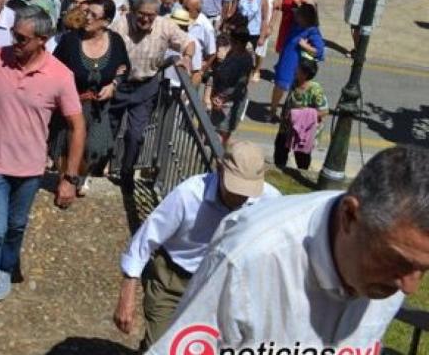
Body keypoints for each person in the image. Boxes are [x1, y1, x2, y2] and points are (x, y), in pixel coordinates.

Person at [150, 145, 429, 353]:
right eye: (397, 261)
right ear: (349, 217)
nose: (409, 288)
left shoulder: (393, 271)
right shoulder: (248, 257)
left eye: (425, 269)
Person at [0, 6, 84, 331]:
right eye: (14, 34)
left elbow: (76, 126)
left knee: (15, 227)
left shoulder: (60, 75)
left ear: (43, 40)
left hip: (30, 169)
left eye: (22, 38)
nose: (15, 42)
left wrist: (69, 177)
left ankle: (5, 269)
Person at [113, 142, 280, 350]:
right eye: (235, 189)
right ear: (219, 170)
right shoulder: (189, 194)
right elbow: (146, 239)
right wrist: (127, 293)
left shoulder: (270, 200)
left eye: (247, 191)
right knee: (163, 346)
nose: (240, 198)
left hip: (222, 286)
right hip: (174, 281)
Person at [110, 0, 195, 190]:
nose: (146, 19)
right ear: (133, 11)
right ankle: (98, 167)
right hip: (119, 84)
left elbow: (188, 42)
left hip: (145, 86)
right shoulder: (120, 26)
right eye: (142, 14)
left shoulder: (164, 25)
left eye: (151, 15)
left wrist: (187, 57)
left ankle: (127, 171)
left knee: (136, 134)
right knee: (109, 130)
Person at [50, 0, 130, 184]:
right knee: (65, 145)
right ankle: (66, 179)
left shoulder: (116, 41)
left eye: (94, 15)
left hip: (98, 109)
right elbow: (54, 66)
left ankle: (81, 175)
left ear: (106, 21)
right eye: (87, 12)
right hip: (71, 104)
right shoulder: (70, 40)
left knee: (96, 147)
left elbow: (124, 67)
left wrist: (114, 85)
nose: (87, 18)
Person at [271, 3, 324, 121]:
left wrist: (305, 46)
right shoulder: (297, 24)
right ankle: (273, 111)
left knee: (289, 89)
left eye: (299, 14)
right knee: (279, 86)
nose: (296, 15)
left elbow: (319, 51)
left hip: (294, 65)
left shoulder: (312, 31)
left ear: (305, 17)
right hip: (286, 60)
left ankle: (287, 114)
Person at [273, 56, 328, 171]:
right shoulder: (295, 82)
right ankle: (279, 168)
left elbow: (324, 111)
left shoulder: (315, 90)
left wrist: (300, 114)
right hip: (286, 126)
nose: (295, 70)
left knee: (301, 156)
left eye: (298, 68)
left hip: (303, 131)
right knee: (280, 149)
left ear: (305, 74)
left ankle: (302, 173)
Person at [208, 26, 254, 146]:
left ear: (238, 42)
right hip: (220, 95)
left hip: (230, 101)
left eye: (232, 41)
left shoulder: (245, 60)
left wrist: (223, 99)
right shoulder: (232, 52)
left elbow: (240, 85)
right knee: (216, 129)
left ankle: (219, 157)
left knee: (223, 133)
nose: (230, 43)